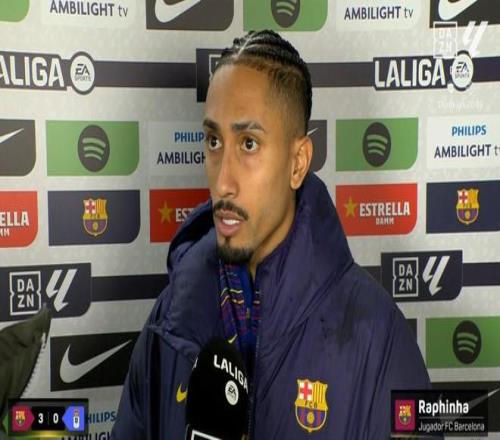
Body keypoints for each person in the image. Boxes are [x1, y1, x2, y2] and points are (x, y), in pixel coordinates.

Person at [111, 30, 430, 439]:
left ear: (298, 163)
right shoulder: (169, 320)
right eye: (213, 141)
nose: (223, 182)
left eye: (248, 144)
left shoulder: (379, 336)